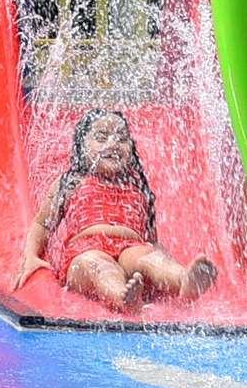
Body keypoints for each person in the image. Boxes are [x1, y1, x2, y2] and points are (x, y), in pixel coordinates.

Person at [25, 108, 217, 313]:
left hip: (130, 248)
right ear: (81, 147)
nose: (113, 143)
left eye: (122, 138)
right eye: (101, 137)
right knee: (97, 265)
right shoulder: (71, 182)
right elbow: (42, 223)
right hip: (85, 251)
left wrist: (163, 259)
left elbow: (151, 240)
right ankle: (122, 297)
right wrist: (31, 255)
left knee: (150, 259)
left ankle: (183, 279)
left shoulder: (139, 189)